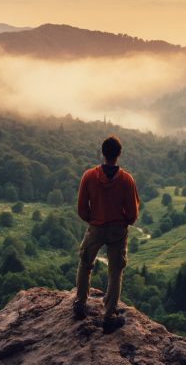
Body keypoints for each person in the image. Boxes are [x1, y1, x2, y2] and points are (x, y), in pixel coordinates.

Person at [73, 135, 139, 333]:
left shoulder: (89, 176)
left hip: (96, 227)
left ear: (102, 153)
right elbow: (133, 213)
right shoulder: (127, 179)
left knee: (85, 264)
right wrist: (123, 222)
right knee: (115, 271)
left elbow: (82, 207)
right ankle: (109, 316)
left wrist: (93, 220)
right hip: (117, 230)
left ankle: (79, 305)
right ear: (119, 154)